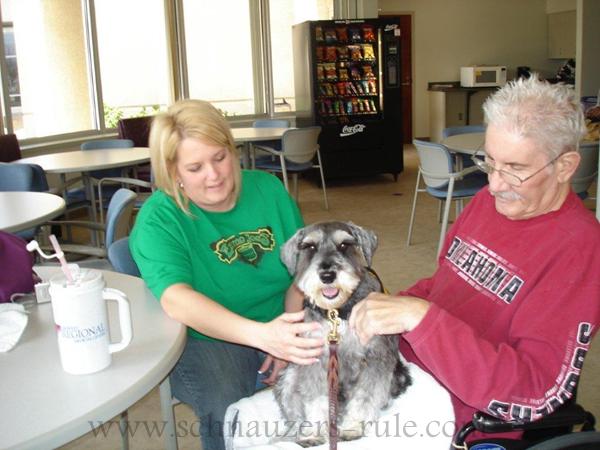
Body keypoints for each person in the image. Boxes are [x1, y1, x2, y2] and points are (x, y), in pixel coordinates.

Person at [349, 76, 600, 442]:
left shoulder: (580, 250)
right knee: (251, 420)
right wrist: (388, 307)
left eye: (515, 168)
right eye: (490, 161)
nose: (495, 184)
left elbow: (535, 391)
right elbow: (443, 285)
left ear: (565, 167)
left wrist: (421, 319)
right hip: (406, 371)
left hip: (459, 415)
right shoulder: (487, 202)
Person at [129, 99, 323, 450]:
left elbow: (303, 274)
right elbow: (177, 300)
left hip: (281, 319)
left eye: (220, 158)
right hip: (205, 337)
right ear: (173, 172)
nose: (214, 175)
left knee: (345, 379)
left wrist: (288, 331)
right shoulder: (159, 218)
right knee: (229, 407)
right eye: (195, 167)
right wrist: (263, 337)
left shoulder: (269, 189)